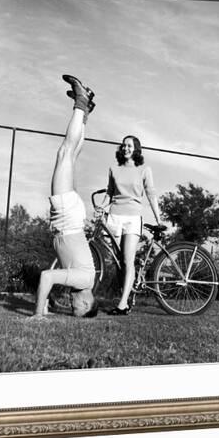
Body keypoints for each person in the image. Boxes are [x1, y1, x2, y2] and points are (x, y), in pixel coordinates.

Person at [30, 74, 99, 319]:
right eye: (75, 308)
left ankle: (86, 109)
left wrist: (46, 301)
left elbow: (53, 272)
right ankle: (81, 102)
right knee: (65, 152)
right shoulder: (83, 279)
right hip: (68, 217)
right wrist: (39, 313)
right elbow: (47, 276)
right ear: (86, 304)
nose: (71, 305)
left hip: (70, 219)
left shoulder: (84, 279)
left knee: (72, 154)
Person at [104, 135, 163, 315]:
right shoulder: (114, 169)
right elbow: (109, 193)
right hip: (114, 216)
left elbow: (151, 194)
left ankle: (122, 305)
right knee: (116, 262)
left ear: (136, 149)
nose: (125, 148)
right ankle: (125, 295)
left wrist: (158, 219)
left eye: (129, 146)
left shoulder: (144, 170)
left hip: (132, 218)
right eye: (123, 145)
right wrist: (101, 207)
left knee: (128, 260)